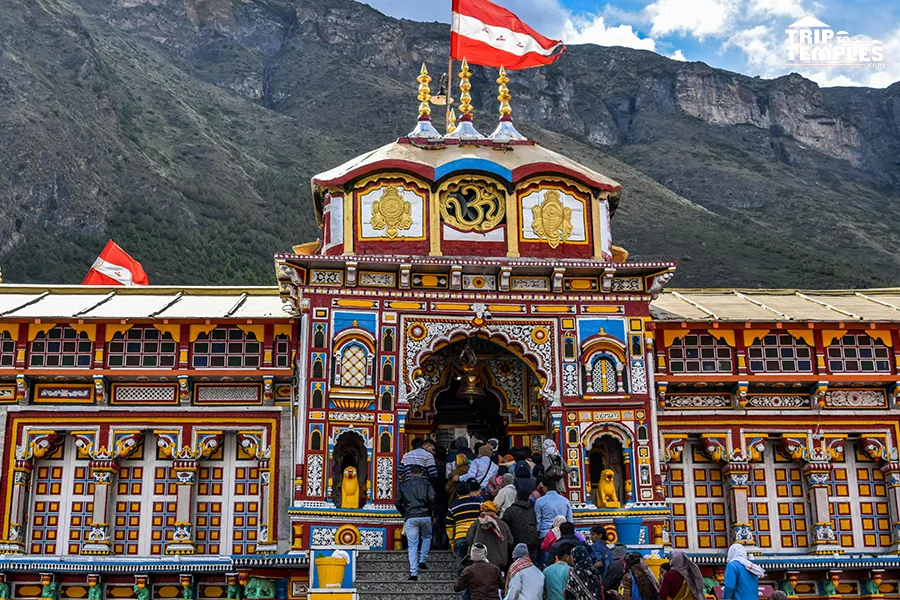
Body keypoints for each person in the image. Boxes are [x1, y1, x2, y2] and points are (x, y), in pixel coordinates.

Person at [395, 465, 434, 580]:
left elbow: (397, 502)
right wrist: (432, 512)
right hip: (425, 515)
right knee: (427, 537)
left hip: (411, 517)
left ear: (410, 473)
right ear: (421, 473)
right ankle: (422, 559)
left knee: (412, 545)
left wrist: (405, 513)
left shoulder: (403, 485)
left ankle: (413, 573)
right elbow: (432, 498)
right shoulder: (427, 484)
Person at [466, 501, 514, 571]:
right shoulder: (503, 524)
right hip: (498, 563)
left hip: (480, 560)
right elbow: (510, 542)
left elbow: (469, 539)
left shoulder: (478, 522)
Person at [446, 482, 483, 573]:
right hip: (476, 536)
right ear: (469, 491)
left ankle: (462, 584)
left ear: (457, 493)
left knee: (461, 565)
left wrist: (452, 541)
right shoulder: (478, 502)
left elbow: (449, 526)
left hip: (460, 538)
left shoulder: (453, 506)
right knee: (477, 565)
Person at [502, 489, 540, 556]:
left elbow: (503, 526)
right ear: (528, 499)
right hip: (531, 544)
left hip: (515, 543)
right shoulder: (531, 511)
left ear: (516, 497)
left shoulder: (510, 510)